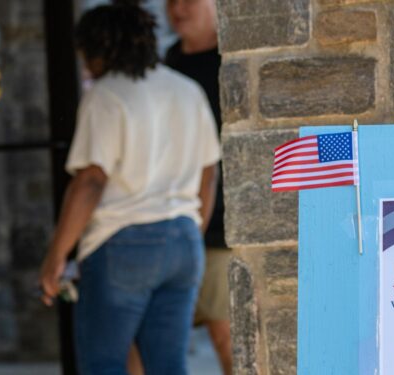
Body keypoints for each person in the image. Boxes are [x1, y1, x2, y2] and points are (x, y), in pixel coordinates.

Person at [39, 2, 220, 374]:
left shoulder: (106, 95)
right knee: (168, 366)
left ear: (100, 47)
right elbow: (209, 173)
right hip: (184, 241)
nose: (84, 64)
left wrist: (57, 255)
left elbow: (90, 180)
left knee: (104, 365)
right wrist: (188, 230)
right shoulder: (186, 90)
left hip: (123, 243)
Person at [165, 1, 233, 374]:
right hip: (169, 226)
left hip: (221, 230)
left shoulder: (232, 63)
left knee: (227, 338)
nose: (176, 8)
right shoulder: (166, 64)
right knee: (150, 343)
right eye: (170, 0)